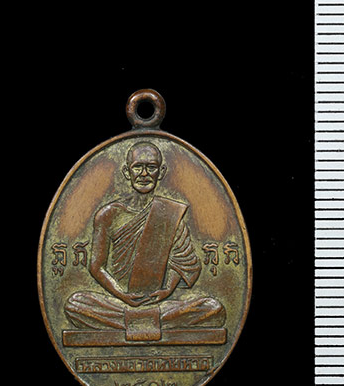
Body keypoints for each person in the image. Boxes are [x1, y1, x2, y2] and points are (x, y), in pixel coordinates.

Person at [64, 141, 225, 339]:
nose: (144, 174)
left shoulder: (170, 212)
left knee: (212, 307)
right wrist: (123, 296)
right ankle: (148, 320)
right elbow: (96, 267)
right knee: (75, 304)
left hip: (160, 303)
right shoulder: (108, 214)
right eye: (137, 167)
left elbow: (183, 261)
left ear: (161, 172)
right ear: (126, 172)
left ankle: (134, 320)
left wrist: (167, 290)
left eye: (151, 167)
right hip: (118, 302)